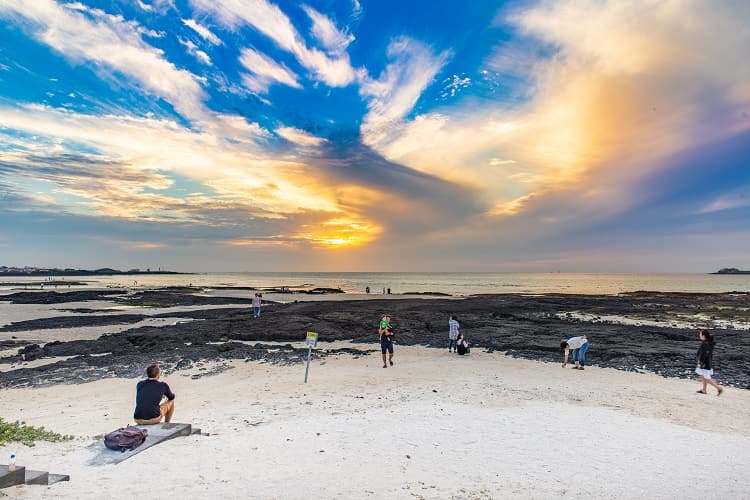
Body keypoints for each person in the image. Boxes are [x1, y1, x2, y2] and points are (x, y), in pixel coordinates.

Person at [695, 330, 723, 396]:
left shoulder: (705, 344)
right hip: (707, 362)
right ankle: (704, 390)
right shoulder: (708, 343)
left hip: (705, 363)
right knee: (703, 376)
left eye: (700, 334)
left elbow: (704, 354)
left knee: (706, 377)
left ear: (703, 336)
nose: (699, 335)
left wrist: (700, 362)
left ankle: (718, 388)